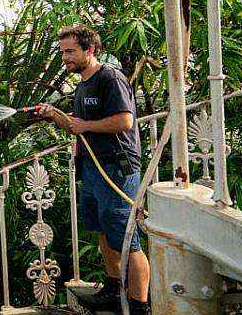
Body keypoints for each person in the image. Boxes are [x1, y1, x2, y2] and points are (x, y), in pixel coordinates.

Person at [37, 25, 150, 314]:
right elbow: (78, 128)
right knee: (102, 228)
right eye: (62, 52)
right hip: (91, 167)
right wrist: (54, 116)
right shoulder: (83, 85)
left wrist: (85, 125)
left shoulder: (109, 78)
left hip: (116, 167)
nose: (65, 58)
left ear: (90, 50)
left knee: (125, 234)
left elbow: (124, 121)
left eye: (70, 51)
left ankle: (139, 305)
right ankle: (114, 288)